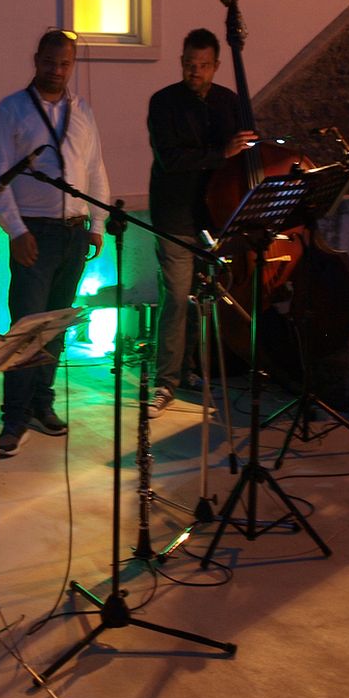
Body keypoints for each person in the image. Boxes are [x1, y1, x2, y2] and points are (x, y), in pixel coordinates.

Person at [0, 29, 110, 457]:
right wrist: (16, 231)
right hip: (34, 233)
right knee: (26, 329)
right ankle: (14, 418)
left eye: (65, 63)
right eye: (49, 62)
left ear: (72, 65)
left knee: (54, 327)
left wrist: (97, 222)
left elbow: (95, 167)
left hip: (74, 232)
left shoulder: (83, 110)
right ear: (36, 59)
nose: (57, 70)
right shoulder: (11, 110)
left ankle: (42, 403)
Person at [146, 28, 257, 417]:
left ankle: (187, 369)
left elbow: (242, 152)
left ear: (216, 65)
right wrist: (221, 152)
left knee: (200, 296)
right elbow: (170, 159)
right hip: (175, 214)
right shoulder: (163, 102)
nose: (196, 72)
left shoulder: (229, 102)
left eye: (204, 65)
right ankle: (165, 380)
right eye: (190, 64)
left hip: (215, 216)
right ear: (181, 62)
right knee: (177, 297)